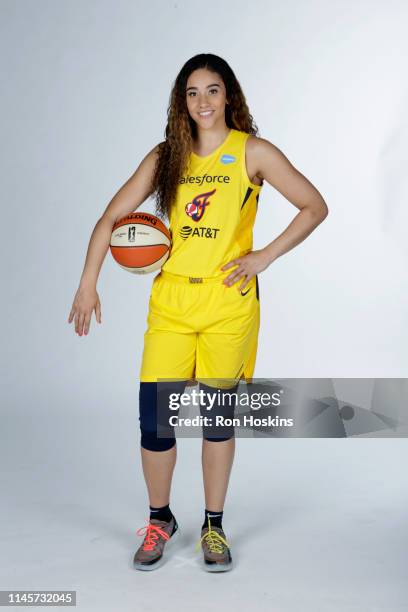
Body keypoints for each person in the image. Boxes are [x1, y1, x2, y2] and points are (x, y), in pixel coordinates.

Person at [68, 53, 328, 572]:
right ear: (181, 101)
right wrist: (87, 282)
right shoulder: (166, 156)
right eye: (192, 92)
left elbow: (314, 205)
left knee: (216, 420)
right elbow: (109, 217)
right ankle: (160, 518)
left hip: (228, 304)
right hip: (173, 304)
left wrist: (263, 256)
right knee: (155, 421)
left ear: (228, 95)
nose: (202, 101)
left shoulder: (253, 152)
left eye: (212, 90)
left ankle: (213, 525)